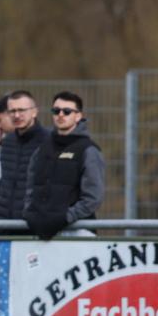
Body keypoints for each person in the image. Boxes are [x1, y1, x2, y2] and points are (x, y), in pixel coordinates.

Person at [23, 92, 105, 240]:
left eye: (67, 111)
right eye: (56, 111)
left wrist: (65, 217)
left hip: (78, 230)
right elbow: (30, 187)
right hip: (41, 232)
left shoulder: (89, 150)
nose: (60, 115)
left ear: (78, 116)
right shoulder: (41, 149)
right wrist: (30, 214)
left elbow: (93, 198)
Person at [0, 90, 49, 235]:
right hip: (4, 225)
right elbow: (9, 176)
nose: (16, 115)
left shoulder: (49, 142)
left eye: (21, 110)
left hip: (32, 228)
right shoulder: (7, 142)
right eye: (12, 111)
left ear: (34, 112)